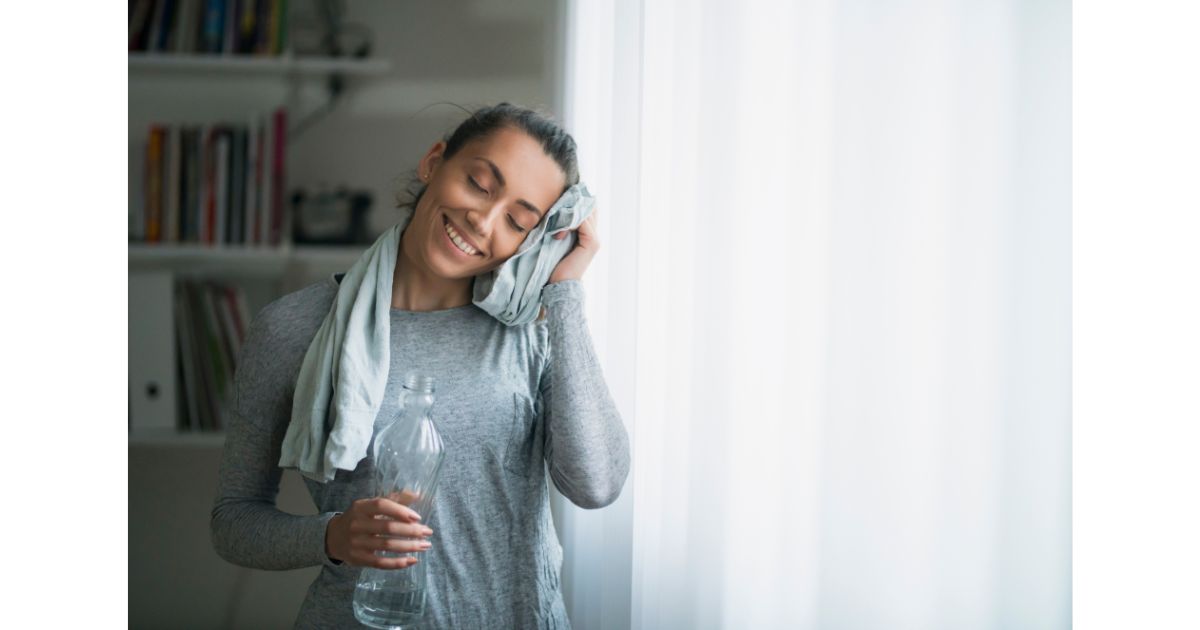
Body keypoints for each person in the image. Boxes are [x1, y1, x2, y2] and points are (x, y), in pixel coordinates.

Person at [210, 103, 631, 629]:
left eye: (519, 221)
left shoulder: (534, 330)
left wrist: (565, 293)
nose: (484, 219)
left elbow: (596, 484)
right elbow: (233, 521)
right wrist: (333, 536)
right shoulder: (294, 327)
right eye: (479, 183)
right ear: (435, 162)